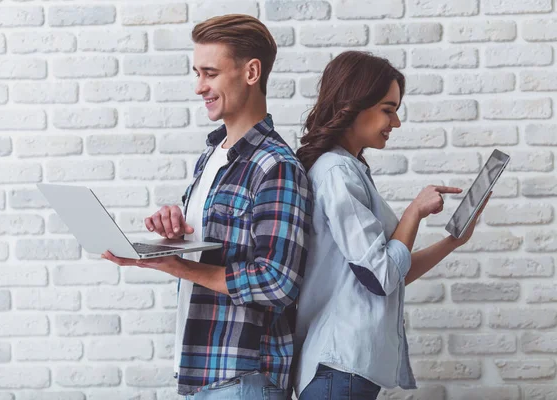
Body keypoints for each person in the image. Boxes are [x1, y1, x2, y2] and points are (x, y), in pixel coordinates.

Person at [101, 14, 312, 400]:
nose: (200, 87)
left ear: (251, 72)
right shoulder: (213, 155)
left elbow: (278, 282)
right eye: (197, 73)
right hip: (205, 371)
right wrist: (180, 231)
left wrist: (182, 266)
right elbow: (224, 243)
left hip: (243, 377)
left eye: (210, 73)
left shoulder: (275, 165)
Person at [292, 51, 489, 400]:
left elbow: (391, 274)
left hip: (345, 372)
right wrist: (414, 211)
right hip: (338, 368)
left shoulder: (350, 170)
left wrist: (452, 242)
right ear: (354, 104)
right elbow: (380, 276)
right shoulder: (336, 172)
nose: (395, 123)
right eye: (388, 109)